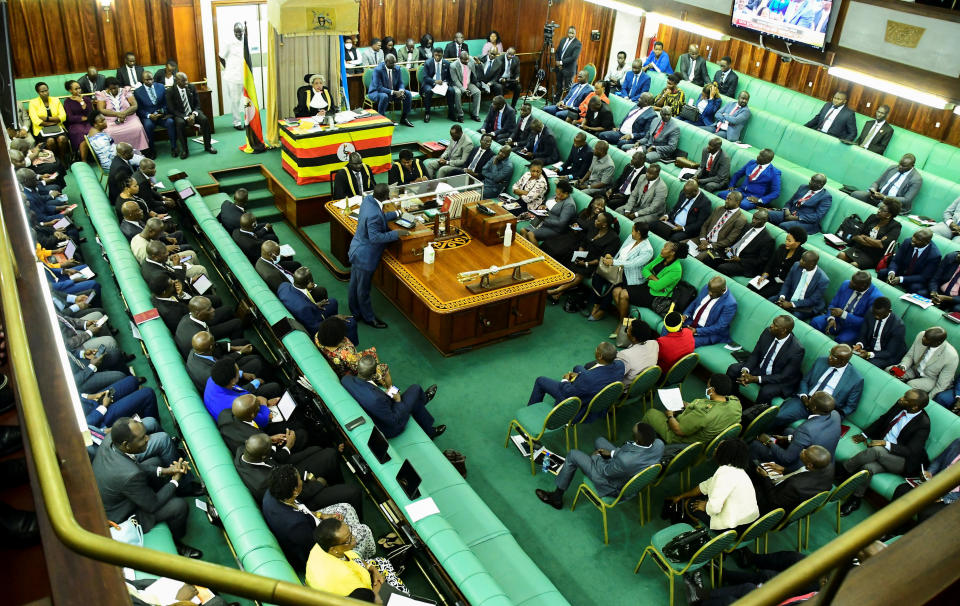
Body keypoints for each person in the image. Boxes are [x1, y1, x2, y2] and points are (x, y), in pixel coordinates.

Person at [92, 417, 202, 558]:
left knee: (155, 462)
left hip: (117, 493)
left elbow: (133, 466)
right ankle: (177, 540)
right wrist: (175, 481)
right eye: (142, 438)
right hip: (121, 516)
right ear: (126, 445)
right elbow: (153, 504)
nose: (148, 439)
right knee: (178, 506)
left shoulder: (111, 441)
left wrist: (164, 471)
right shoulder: (130, 475)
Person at [261, 464, 373, 569]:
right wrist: (341, 537)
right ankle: (359, 562)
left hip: (312, 523)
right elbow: (316, 549)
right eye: (300, 479)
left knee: (346, 508)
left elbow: (302, 510)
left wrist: (322, 515)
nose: (302, 480)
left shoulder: (274, 492)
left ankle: (354, 545)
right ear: (295, 490)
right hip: (317, 548)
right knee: (364, 531)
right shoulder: (296, 525)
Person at [839, 389, 931, 516]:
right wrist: (865, 435)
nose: (901, 399)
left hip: (902, 460)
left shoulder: (923, 424)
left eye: (906, 399)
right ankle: (855, 500)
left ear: (914, 406)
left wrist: (885, 444)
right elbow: (884, 419)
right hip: (884, 452)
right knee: (867, 468)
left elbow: (911, 451)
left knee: (876, 450)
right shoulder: (901, 404)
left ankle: (842, 471)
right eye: (904, 395)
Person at [535, 422, 664, 509]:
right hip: (629, 466)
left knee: (573, 455)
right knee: (599, 441)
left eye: (633, 432)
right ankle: (604, 454)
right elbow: (630, 452)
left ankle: (556, 497)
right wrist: (612, 453)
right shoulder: (659, 444)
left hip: (610, 482)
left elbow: (604, 471)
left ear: (637, 440)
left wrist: (596, 456)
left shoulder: (625, 461)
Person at [347, 184, 407, 329]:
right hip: (365, 256)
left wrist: (398, 213)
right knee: (363, 290)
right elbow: (375, 237)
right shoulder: (374, 212)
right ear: (387, 196)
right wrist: (396, 234)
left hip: (356, 249)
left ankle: (355, 312)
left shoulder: (368, 200)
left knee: (355, 284)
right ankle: (369, 318)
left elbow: (379, 218)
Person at [341, 355, 444, 438]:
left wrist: (386, 393)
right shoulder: (376, 400)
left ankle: (429, 427)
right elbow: (393, 421)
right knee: (415, 389)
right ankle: (424, 401)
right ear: (373, 373)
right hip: (390, 428)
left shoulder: (346, 379)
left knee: (412, 399)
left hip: (380, 406)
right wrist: (398, 401)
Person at [669, 439, 759, 532]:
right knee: (703, 498)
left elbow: (714, 508)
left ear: (723, 454)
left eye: (718, 448)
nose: (715, 449)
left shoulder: (723, 474)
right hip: (750, 524)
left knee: (690, 504)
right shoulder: (739, 471)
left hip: (734, 528)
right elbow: (703, 487)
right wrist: (680, 496)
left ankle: (705, 532)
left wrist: (706, 506)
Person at [306, 517, 408, 598]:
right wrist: (379, 582)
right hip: (358, 596)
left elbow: (355, 560)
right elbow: (368, 598)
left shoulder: (321, 546)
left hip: (357, 578)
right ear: (333, 549)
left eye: (350, 533)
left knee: (382, 561)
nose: (354, 539)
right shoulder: (343, 577)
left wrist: (373, 569)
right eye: (348, 539)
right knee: (405, 594)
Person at [643, 374, 742, 453]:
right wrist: (688, 405)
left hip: (682, 439)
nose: (707, 387)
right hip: (709, 439)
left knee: (651, 413)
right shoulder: (735, 403)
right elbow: (707, 408)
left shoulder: (703, 414)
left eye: (708, 385)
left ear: (712, 390)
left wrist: (670, 415)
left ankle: (642, 444)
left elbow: (678, 430)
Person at [771, 344, 864, 428]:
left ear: (843, 361)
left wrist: (831, 416)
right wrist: (804, 396)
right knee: (778, 416)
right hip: (805, 402)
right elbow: (805, 381)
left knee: (806, 432)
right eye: (830, 353)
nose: (829, 357)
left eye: (834, 357)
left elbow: (850, 407)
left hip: (824, 413)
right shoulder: (821, 361)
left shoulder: (856, 379)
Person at [524, 342, 624, 420]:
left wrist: (565, 380)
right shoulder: (620, 365)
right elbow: (585, 373)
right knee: (578, 368)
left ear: (600, 356)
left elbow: (568, 392)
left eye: (597, 349)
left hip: (579, 407)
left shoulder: (588, 378)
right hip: (599, 402)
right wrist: (579, 372)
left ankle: (530, 413)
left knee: (540, 381)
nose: (595, 350)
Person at [726, 315, 805, 405]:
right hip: (761, 368)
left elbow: (784, 376)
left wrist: (756, 379)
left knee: (766, 392)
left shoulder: (797, 350)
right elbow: (755, 354)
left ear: (783, 330)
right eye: (772, 323)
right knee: (733, 369)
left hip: (778, 378)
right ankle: (732, 401)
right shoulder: (768, 332)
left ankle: (754, 415)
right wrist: (745, 370)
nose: (771, 326)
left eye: (775, 325)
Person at [544, 211, 619, 302]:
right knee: (568, 258)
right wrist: (580, 252)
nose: (595, 221)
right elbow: (584, 241)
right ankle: (558, 291)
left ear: (604, 225)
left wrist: (586, 263)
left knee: (580, 274)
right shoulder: (594, 227)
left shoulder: (613, 239)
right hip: (583, 255)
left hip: (594, 262)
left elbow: (603, 258)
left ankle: (556, 291)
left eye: (598, 220)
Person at [588, 222, 655, 322]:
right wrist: (611, 258)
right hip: (616, 266)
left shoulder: (647, 250)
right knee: (598, 275)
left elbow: (633, 264)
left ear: (639, 233)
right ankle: (596, 304)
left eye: (633, 230)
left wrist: (613, 262)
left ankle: (602, 310)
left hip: (630, 274)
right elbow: (620, 253)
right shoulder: (631, 237)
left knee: (614, 284)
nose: (631, 232)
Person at [890, 438, 960, 527]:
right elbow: (938, 461)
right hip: (935, 484)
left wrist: (944, 498)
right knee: (902, 490)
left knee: (926, 512)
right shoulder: (958, 442)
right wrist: (930, 472)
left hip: (952, 496)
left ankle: (911, 538)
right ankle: (891, 531)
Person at [185, 330, 277, 396]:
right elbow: (233, 391)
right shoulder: (211, 376)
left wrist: (242, 374)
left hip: (226, 374)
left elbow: (219, 357)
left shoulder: (196, 350)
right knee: (261, 369)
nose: (216, 344)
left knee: (255, 359)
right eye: (214, 344)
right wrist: (255, 383)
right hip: (229, 391)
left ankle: (271, 372)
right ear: (211, 347)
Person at [753, 445, 835, 515]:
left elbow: (773, 500)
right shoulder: (828, 467)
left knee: (752, 475)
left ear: (810, 465)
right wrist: (784, 470)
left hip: (773, 507)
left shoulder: (795, 485)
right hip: (797, 496)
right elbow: (803, 474)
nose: (803, 450)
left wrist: (765, 478)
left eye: (805, 453)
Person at [278, 267, 354, 340]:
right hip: (314, 322)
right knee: (351, 322)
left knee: (333, 302)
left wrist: (314, 305)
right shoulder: (304, 308)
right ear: (309, 282)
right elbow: (315, 328)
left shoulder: (283, 286)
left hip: (309, 311)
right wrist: (335, 319)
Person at [615, 240, 685, 317]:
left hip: (655, 295)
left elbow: (657, 287)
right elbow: (645, 269)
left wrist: (649, 278)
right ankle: (627, 320)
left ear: (672, 253)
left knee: (623, 294)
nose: (662, 249)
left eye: (665, 248)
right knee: (616, 291)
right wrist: (655, 279)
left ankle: (622, 323)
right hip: (647, 286)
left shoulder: (676, 269)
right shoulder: (662, 257)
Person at [810, 271, 881, 342]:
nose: (850, 283)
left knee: (841, 340)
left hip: (853, 327)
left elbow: (866, 322)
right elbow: (833, 304)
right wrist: (831, 318)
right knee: (815, 322)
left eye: (854, 283)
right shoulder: (846, 284)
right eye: (851, 280)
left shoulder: (875, 298)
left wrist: (843, 314)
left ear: (863, 286)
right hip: (836, 319)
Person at [891, 327, 958, 399]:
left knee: (911, 385)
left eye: (927, 339)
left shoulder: (952, 356)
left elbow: (941, 385)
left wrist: (927, 401)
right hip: (914, 369)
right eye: (924, 336)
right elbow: (910, 356)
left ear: (938, 343)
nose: (923, 339)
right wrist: (903, 366)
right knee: (890, 370)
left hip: (931, 379)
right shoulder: (921, 335)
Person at [315, 316, 387, 382]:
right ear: (338, 337)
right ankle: (390, 388)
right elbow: (358, 370)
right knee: (382, 366)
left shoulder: (317, 337)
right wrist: (377, 376)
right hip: (349, 373)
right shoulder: (347, 352)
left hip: (334, 365)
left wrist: (336, 320)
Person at [837, 200, 902, 270]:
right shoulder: (873, 217)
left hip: (873, 256)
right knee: (841, 255)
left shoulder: (895, 226)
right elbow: (856, 236)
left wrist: (865, 237)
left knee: (854, 265)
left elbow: (881, 245)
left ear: (889, 215)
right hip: (859, 248)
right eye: (879, 208)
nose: (879, 211)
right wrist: (875, 242)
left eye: (882, 210)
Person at [710, 209, 775, 278]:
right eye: (753, 217)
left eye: (757, 219)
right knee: (710, 256)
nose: (753, 220)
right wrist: (730, 248)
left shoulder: (768, 239)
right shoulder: (748, 225)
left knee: (722, 267)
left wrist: (740, 259)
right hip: (731, 254)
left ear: (764, 221)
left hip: (744, 263)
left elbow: (760, 261)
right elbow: (737, 240)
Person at [850, 154, 921, 213]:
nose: (900, 167)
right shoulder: (893, 168)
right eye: (900, 164)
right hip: (878, 196)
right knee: (856, 194)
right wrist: (873, 190)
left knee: (882, 207)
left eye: (904, 166)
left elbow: (906, 200)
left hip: (894, 204)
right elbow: (877, 183)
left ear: (912, 165)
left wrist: (884, 198)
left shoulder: (916, 179)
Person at [166, 72, 215, 158]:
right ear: (176, 81)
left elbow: (197, 104)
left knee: (204, 119)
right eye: (183, 81)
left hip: (193, 112)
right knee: (180, 123)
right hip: (180, 114)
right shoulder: (170, 91)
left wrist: (193, 114)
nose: (186, 83)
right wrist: (186, 117)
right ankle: (185, 150)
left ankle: (208, 146)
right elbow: (172, 109)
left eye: (186, 80)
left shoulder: (191, 87)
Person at [879, 228, 940, 294]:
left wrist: (901, 279)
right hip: (901, 272)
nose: (913, 240)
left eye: (918, 239)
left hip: (915, 279)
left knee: (914, 287)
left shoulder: (934, 255)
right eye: (914, 236)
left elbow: (923, 277)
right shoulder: (907, 242)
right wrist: (892, 272)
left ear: (926, 242)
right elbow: (896, 261)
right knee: (883, 272)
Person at [771, 250, 829, 320]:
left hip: (806, 305)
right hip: (790, 297)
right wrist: (782, 296)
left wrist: (791, 304)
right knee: (771, 301)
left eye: (803, 260)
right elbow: (787, 283)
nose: (800, 261)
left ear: (811, 264)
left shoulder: (823, 280)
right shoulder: (796, 265)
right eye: (801, 258)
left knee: (791, 318)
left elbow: (812, 300)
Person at [96, 77, 149, 152]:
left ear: (118, 86)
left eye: (115, 88)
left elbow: (134, 105)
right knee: (110, 132)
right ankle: (118, 153)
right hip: (111, 121)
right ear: (107, 88)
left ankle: (139, 151)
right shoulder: (102, 94)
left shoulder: (125, 91)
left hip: (129, 118)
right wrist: (118, 114)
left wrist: (124, 114)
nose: (114, 90)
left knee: (138, 127)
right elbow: (101, 110)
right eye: (111, 89)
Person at [650, 178, 711, 242]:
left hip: (686, 229)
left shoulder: (705, 203)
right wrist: (667, 215)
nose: (686, 195)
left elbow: (699, 224)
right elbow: (676, 207)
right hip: (672, 223)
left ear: (695, 191)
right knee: (652, 225)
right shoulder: (683, 192)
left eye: (688, 194)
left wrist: (683, 228)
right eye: (685, 193)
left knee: (674, 239)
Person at [681, 276, 738, 347]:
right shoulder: (707, 287)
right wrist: (685, 315)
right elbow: (695, 302)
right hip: (691, 322)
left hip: (708, 332)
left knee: (684, 342)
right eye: (709, 290)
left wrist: (697, 331)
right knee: (668, 328)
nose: (709, 293)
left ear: (723, 290)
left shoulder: (730, 304)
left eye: (713, 292)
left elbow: (719, 327)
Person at [692, 191, 748, 262]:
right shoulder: (719, 209)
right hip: (702, 240)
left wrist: (709, 246)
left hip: (716, 248)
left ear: (737, 202)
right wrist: (703, 240)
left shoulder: (740, 219)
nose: (726, 201)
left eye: (729, 199)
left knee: (698, 258)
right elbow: (705, 225)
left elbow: (729, 241)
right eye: (726, 198)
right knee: (681, 245)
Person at [853, 297, 906, 368]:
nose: (876, 316)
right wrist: (860, 345)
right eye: (875, 313)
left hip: (888, 355)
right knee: (847, 349)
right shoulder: (870, 312)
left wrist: (869, 354)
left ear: (889, 311)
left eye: (880, 315)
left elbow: (890, 352)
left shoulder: (898, 326)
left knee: (868, 364)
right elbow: (863, 333)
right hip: (870, 348)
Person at [519, 179, 577, 244]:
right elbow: (550, 206)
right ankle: (525, 251)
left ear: (566, 193)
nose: (557, 195)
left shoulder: (569, 205)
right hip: (543, 222)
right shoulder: (558, 196)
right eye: (556, 192)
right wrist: (543, 206)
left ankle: (537, 254)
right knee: (523, 231)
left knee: (530, 234)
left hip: (554, 229)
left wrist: (544, 220)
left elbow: (561, 223)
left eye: (559, 194)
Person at [133, 71, 175, 158]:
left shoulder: (160, 87)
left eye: (151, 79)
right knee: (147, 126)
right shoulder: (138, 92)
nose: (149, 81)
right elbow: (139, 109)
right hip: (148, 116)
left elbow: (165, 103)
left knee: (170, 122)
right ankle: (152, 150)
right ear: (142, 80)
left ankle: (174, 147)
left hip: (161, 115)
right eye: (147, 80)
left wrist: (162, 112)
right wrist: (149, 116)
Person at [27, 82, 70, 161]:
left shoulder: (55, 100)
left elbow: (63, 116)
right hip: (41, 129)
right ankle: (54, 159)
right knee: (50, 141)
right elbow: (36, 120)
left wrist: (46, 119)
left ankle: (62, 158)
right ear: (38, 92)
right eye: (42, 91)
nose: (45, 93)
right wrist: (54, 120)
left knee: (62, 139)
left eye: (46, 90)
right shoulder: (33, 103)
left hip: (58, 127)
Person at [369, 56, 413, 127]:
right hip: (376, 92)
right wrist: (394, 92)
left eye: (395, 63)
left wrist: (401, 90)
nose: (394, 65)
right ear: (386, 62)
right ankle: (381, 121)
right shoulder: (378, 70)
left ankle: (404, 118)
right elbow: (379, 87)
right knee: (384, 96)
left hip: (392, 92)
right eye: (392, 63)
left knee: (407, 94)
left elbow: (400, 82)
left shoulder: (397, 68)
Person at [219, 23, 246, 130]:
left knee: (247, 99)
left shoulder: (245, 41)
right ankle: (237, 122)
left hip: (245, 76)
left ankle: (248, 121)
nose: (239, 34)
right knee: (235, 100)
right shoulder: (229, 42)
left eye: (240, 32)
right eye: (236, 32)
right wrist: (227, 68)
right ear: (234, 32)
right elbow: (221, 56)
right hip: (233, 77)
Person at [617, 319, 660, 384]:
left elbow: (616, 375)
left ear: (634, 338)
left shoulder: (625, 355)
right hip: (645, 383)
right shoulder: (654, 344)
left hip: (626, 388)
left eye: (628, 329)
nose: (627, 329)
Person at [62, 80, 93, 160]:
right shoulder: (67, 102)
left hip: (88, 123)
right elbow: (70, 118)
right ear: (70, 90)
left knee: (92, 131)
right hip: (75, 124)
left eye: (79, 88)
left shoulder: (86, 99)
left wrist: (82, 102)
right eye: (76, 89)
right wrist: (83, 118)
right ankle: (84, 160)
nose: (79, 90)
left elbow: (90, 113)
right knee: (81, 134)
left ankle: (96, 157)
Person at [419, 47, 451, 123]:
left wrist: (445, 83)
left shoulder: (446, 63)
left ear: (442, 55)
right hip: (430, 83)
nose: (437, 57)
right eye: (436, 55)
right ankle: (427, 113)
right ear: (433, 54)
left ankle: (451, 113)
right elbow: (425, 77)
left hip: (442, 84)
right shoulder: (428, 62)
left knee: (451, 90)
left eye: (439, 55)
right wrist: (435, 81)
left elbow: (449, 78)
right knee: (428, 91)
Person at [448, 51, 481, 123]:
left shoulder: (471, 60)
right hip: (457, 84)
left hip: (468, 83)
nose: (467, 61)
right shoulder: (453, 66)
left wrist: (479, 63)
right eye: (464, 60)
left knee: (477, 92)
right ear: (460, 59)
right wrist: (464, 90)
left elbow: (482, 68)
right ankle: (460, 115)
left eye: (467, 59)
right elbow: (455, 81)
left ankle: (475, 114)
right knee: (457, 93)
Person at [552, 26, 582, 98]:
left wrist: (561, 62)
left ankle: (565, 105)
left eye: (573, 33)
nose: (571, 34)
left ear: (575, 33)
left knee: (568, 89)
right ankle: (555, 103)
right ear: (567, 33)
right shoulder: (563, 40)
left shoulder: (578, 44)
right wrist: (557, 61)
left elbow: (573, 57)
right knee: (558, 86)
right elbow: (557, 52)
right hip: (559, 68)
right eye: (569, 32)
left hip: (569, 70)